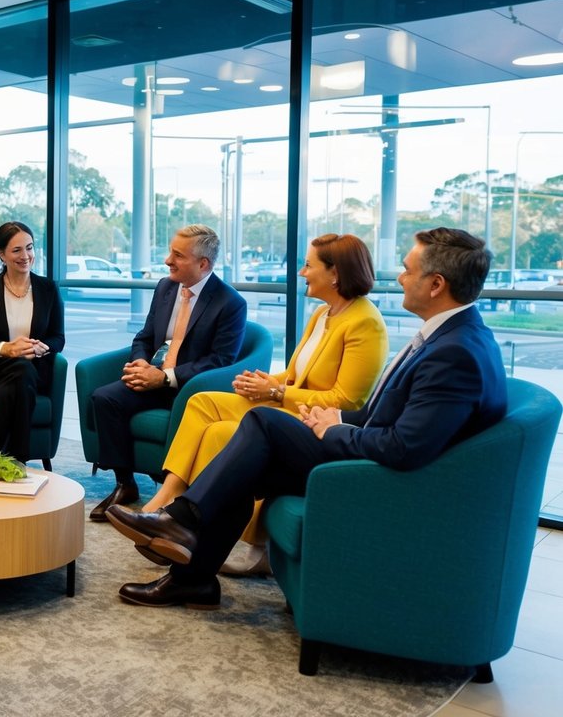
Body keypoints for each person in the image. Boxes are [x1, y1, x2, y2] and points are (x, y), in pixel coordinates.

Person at [106, 228, 507, 610]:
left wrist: (335, 428)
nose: (400, 278)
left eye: (407, 269)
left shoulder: (454, 353)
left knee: (264, 423)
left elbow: (403, 447)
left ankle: (181, 524)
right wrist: (337, 417)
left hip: (378, 477)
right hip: (368, 452)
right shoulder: (450, 338)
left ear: (436, 284)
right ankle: (191, 570)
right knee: (247, 462)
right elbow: (385, 414)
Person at [138, 234, 388, 575]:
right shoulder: (322, 314)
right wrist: (269, 382)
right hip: (288, 404)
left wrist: (277, 394)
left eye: (309, 265)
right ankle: (169, 501)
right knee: (202, 404)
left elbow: (348, 400)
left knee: (224, 433)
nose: (301, 273)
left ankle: (196, 528)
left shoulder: (365, 323)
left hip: (313, 420)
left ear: (335, 274)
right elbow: (299, 372)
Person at [88, 224, 247, 522]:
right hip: (153, 377)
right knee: (104, 398)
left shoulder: (231, 303)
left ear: (203, 264)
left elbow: (220, 361)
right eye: (170, 252)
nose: (167, 260)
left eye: (177, 255)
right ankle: (125, 484)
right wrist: (141, 364)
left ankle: (173, 493)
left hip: (191, 389)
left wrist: (165, 378)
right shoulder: (165, 287)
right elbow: (145, 337)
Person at [0, 221, 64, 461]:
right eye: (17, 250)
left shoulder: (47, 288)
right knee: (20, 374)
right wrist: (7, 349)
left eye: (30, 247)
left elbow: (58, 337)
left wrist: (39, 349)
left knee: (21, 372)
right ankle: (18, 460)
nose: (26, 256)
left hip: (32, 365)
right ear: (1, 254)